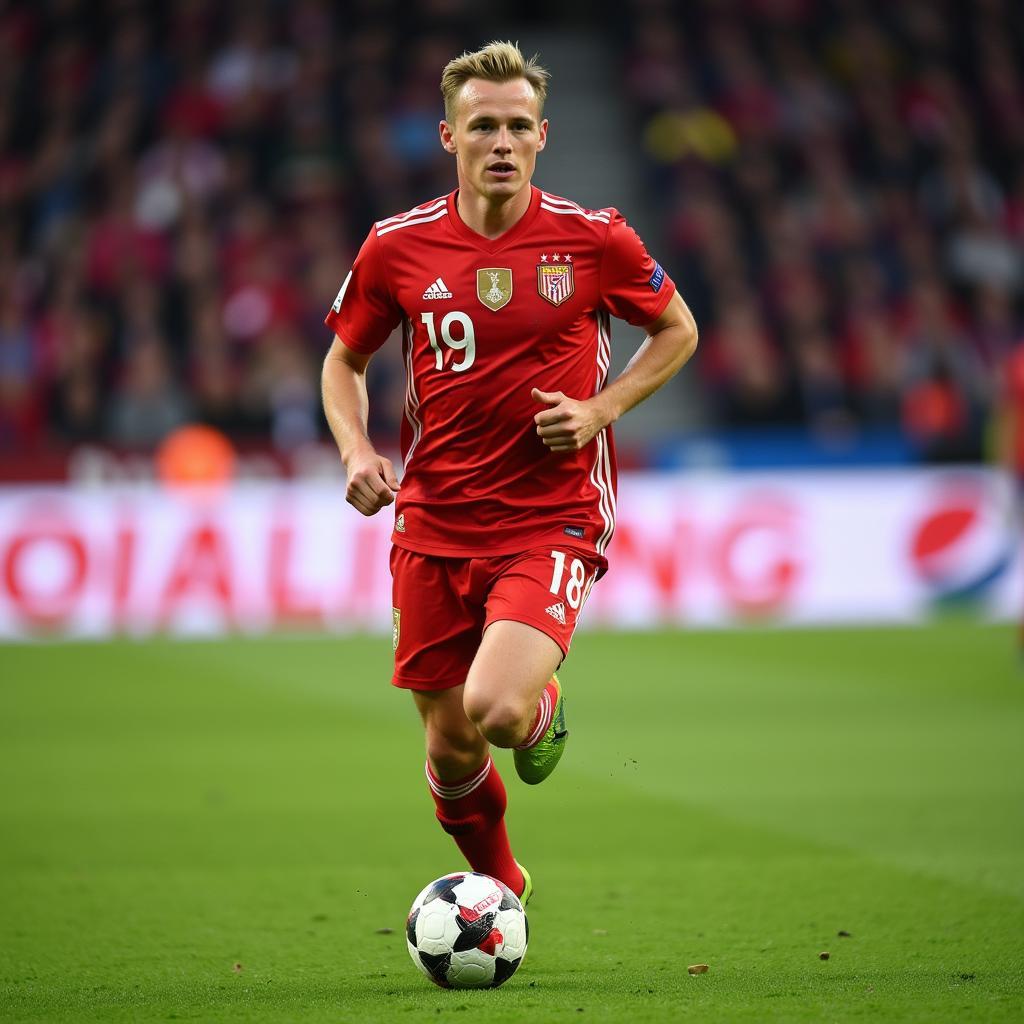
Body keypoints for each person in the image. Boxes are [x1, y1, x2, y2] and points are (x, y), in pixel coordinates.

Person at [321, 41, 698, 904]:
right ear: (448, 136)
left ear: (542, 137)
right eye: (482, 125)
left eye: (518, 126)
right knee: (451, 746)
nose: (501, 141)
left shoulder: (594, 238)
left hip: (550, 514)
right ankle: (502, 885)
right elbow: (342, 362)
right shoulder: (396, 247)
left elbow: (678, 329)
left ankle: (539, 705)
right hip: (432, 520)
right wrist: (355, 449)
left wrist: (603, 410)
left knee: (493, 710)